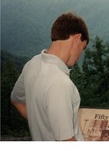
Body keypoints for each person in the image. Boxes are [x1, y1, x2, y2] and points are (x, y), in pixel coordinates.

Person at [10, 12, 89, 141]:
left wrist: (45, 124)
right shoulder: (60, 83)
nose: (80, 55)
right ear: (76, 38)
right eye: (83, 47)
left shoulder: (32, 64)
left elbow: (17, 101)